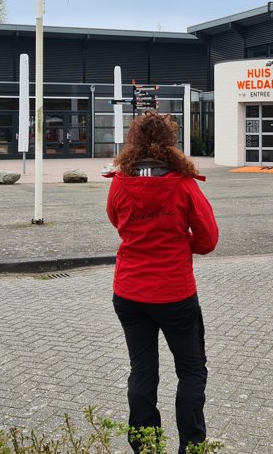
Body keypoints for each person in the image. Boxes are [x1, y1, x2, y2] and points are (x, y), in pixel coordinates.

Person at [105, 111, 219, 454]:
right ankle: (192, 447)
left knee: (142, 370)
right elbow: (208, 239)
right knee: (191, 371)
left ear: (133, 142)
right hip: (174, 294)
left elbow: (117, 221)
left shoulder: (119, 181)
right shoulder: (183, 184)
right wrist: (180, 240)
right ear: (170, 142)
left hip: (130, 292)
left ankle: (146, 447)